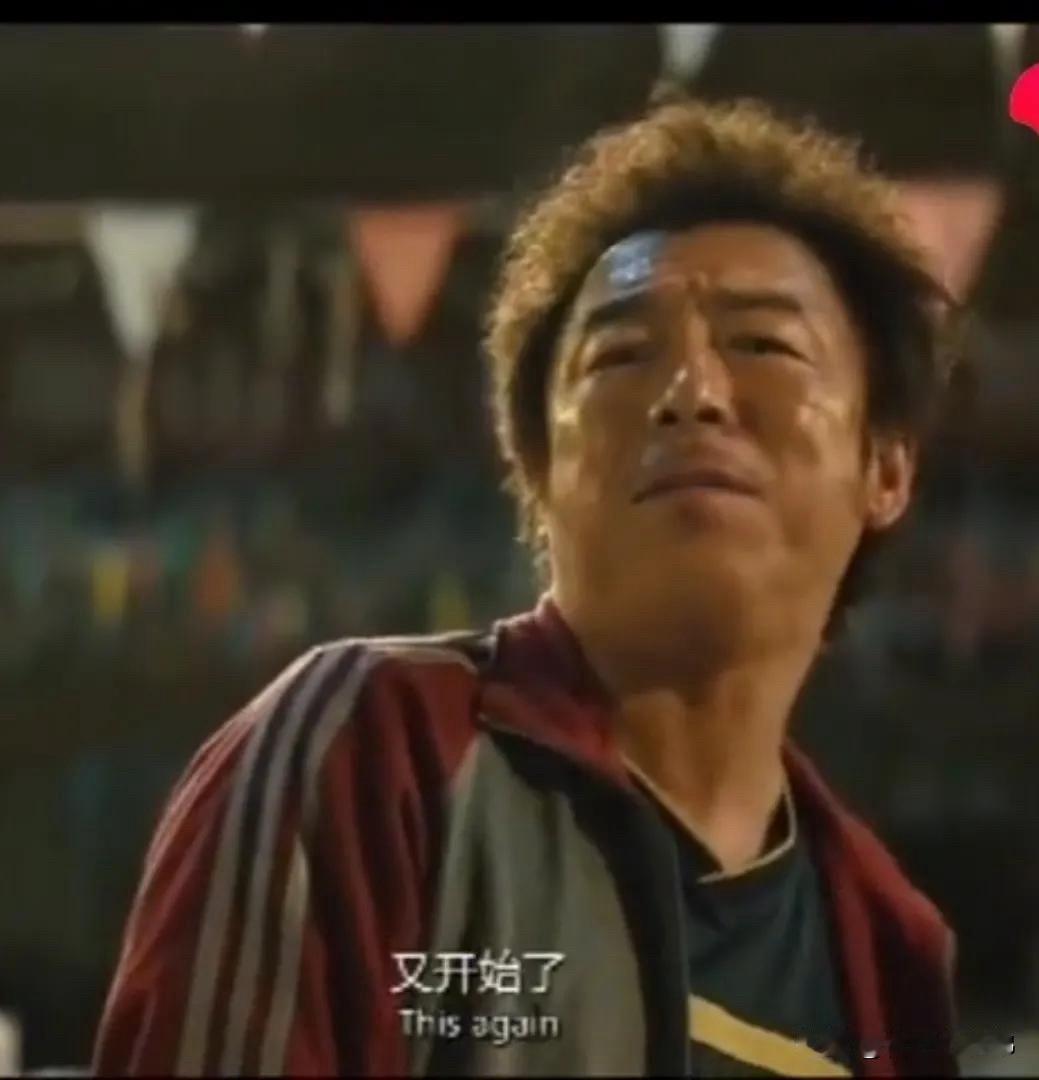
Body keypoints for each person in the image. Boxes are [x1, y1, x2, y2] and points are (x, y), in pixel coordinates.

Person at [93, 92, 961, 1077]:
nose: (691, 394)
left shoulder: (886, 943)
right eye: (621, 355)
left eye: (762, 344)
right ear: (540, 470)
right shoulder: (372, 751)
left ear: (886, 467)